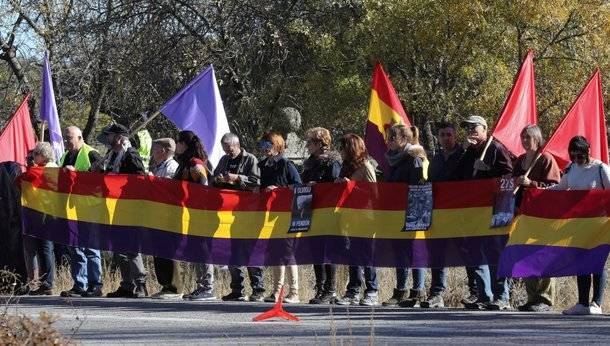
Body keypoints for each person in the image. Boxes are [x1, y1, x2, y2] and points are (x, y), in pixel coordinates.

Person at [548, 136, 610, 315]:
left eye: (580, 157)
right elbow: (561, 188)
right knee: (581, 260)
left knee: (597, 260)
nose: (576, 160)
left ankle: (596, 303)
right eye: (573, 156)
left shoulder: (600, 169)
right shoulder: (571, 168)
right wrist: (538, 193)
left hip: (600, 224)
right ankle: (582, 303)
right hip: (579, 224)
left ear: (588, 152)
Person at [456, 115, 513, 310]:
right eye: (468, 128)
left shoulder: (495, 148)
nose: (471, 131)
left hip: (493, 209)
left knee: (494, 251)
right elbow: (458, 175)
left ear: (485, 129)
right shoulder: (469, 152)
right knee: (475, 251)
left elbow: (508, 174)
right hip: (473, 211)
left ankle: (502, 296)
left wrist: (487, 169)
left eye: (474, 127)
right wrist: (464, 150)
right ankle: (483, 295)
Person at [512, 125, 561, 312]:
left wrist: (531, 183)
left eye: (528, 137)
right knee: (525, 254)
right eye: (522, 136)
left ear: (537, 139)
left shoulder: (546, 160)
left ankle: (545, 299)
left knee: (544, 254)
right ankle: (532, 297)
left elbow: (555, 188)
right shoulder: (520, 161)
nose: (525, 140)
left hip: (543, 217)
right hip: (523, 215)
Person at [213, 133, 266, 302]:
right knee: (232, 251)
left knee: (251, 249)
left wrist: (237, 178)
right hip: (228, 211)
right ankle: (237, 289)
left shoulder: (251, 159)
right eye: (225, 149)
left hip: (248, 211)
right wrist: (220, 179)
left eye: (230, 149)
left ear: (237, 145)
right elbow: (215, 178)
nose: (228, 152)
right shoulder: (224, 160)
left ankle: (258, 289)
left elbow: (256, 182)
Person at [98, 124, 149, 298]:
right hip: (114, 206)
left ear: (119, 138)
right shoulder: (111, 155)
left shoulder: (130, 154)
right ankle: (127, 285)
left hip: (130, 206)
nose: (108, 139)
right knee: (118, 247)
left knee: (131, 246)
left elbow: (139, 176)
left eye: (111, 136)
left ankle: (140, 284)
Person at [379, 125, 428, 308]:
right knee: (399, 250)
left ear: (404, 139)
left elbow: (417, 184)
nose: (388, 141)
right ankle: (400, 290)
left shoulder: (414, 158)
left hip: (412, 211)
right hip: (396, 212)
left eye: (392, 137)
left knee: (414, 250)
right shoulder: (392, 159)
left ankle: (417, 291)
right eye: (388, 137)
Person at [420, 121, 465, 308]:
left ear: (455, 136)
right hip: (438, 213)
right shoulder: (436, 158)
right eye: (442, 135)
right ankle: (436, 293)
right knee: (437, 253)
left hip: (461, 213)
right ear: (438, 137)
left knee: (467, 251)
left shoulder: (464, 156)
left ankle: (477, 293)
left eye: (449, 134)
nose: (446, 138)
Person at [59, 126, 105, 298]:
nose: (66, 141)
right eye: (65, 138)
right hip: (71, 207)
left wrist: (76, 173)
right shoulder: (66, 155)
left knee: (91, 247)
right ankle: (79, 284)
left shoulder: (91, 153)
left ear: (80, 137)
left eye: (69, 138)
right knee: (75, 247)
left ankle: (95, 285)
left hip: (90, 207)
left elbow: (101, 178)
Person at [335, 134, 380, 306]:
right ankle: (352, 290)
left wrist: (351, 186)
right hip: (349, 216)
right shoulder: (344, 167)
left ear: (351, 148)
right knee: (352, 254)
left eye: (343, 147)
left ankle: (372, 291)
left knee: (367, 254)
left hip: (366, 216)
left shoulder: (365, 166)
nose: (340, 151)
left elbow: (373, 193)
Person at [258, 132, 302, 304]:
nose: (264, 149)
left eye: (267, 145)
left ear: (276, 145)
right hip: (270, 215)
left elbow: (298, 185)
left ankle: (294, 292)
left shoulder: (286, 164)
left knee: (288, 252)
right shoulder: (262, 165)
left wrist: (279, 189)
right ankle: (277, 291)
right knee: (276, 252)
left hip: (286, 213)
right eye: (262, 145)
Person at [174, 130, 217, 301]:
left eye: (178, 142)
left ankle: (207, 287)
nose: (176, 145)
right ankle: (201, 285)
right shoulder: (185, 162)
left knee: (202, 248)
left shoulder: (194, 163)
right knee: (195, 248)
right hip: (190, 212)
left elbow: (203, 187)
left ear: (183, 144)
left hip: (200, 213)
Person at [300, 127, 341, 305]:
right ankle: (320, 287)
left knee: (328, 250)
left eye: (309, 142)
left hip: (329, 211)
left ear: (319, 143)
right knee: (316, 250)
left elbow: (334, 184)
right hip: (311, 209)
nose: (307, 146)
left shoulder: (333, 161)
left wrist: (318, 184)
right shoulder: (309, 163)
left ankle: (330, 290)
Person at [148, 138, 183, 299]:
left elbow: (169, 188)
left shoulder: (172, 166)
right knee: (159, 250)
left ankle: (175, 287)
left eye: (155, 149)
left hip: (169, 214)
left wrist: (153, 180)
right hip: (158, 213)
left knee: (169, 250)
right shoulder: (159, 166)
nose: (153, 153)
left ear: (164, 150)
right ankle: (166, 285)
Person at [21, 142, 57, 295]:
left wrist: (32, 170)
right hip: (40, 211)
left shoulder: (51, 168)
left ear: (43, 154)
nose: (34, 156)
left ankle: (47, 283)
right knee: (42, 249)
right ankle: (44, 282)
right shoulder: (40, 168)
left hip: (47, 212)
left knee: (46, 248)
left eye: (36, 154)